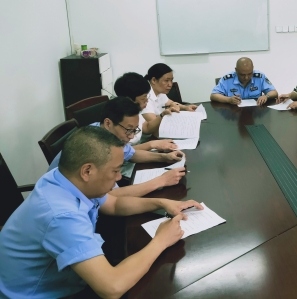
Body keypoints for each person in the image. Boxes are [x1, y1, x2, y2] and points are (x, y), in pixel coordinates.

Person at [0, 126, 202, 298]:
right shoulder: (62, 216)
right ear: (87, 171)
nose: (118, 178)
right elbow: (111, 287)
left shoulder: (65, 178)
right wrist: (161, 240)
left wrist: (161, 202)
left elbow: (114, 204)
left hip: (64, 277)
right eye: (115, 171)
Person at [48, 97, 186, 197]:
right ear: (108, 123)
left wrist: (165, 157)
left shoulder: (107, 135)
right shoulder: (96, 146)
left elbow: (133, 154)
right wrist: (162, 180)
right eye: (128, 130)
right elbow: (112, 196)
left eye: (135, 130)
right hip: (69, 198)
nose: (131, 136)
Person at [114, 71, 177, 147]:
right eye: (143, 98)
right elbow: (124, 150)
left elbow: (146, 128)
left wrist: (162, 115)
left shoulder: (134, 112)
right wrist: (150, 145)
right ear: (129, 99)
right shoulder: (117, 117)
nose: (147, 100)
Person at [142, 63, 197, 135]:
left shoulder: (160, 91)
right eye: (166, 80)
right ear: (154, 80)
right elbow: (155, 124)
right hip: (149, 135)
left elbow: (170, 103)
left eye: (171, 80)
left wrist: (185, 107)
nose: (170, 84)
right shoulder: (144, 97)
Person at [210, 57, 278, 105]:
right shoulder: (227, 79)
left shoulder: (259, 76)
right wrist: (228, 100)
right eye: (242, 75)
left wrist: (266, 96)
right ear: (236, 70)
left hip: (255, 112)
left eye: (249, 73)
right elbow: (213, 95)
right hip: (234, 114)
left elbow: (274, 92)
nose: (246, 77)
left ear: (253, 68)